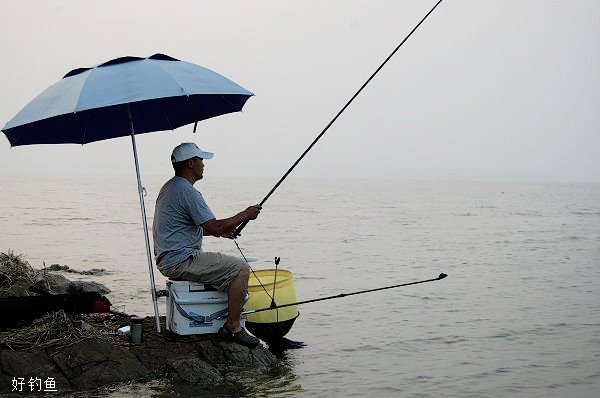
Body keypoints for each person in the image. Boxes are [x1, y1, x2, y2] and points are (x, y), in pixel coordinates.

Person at [152, 142, 261, 348]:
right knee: (241, 270)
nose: (204, 165)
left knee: (231, 268)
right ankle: (233, 327)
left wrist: (221, 233)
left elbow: (188, 228)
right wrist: (245, 215)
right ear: (191, 163)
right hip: (181, 260)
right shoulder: (187, 191)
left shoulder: (170, 188)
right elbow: (215, 226)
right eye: (201, 160)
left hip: (169, 259)